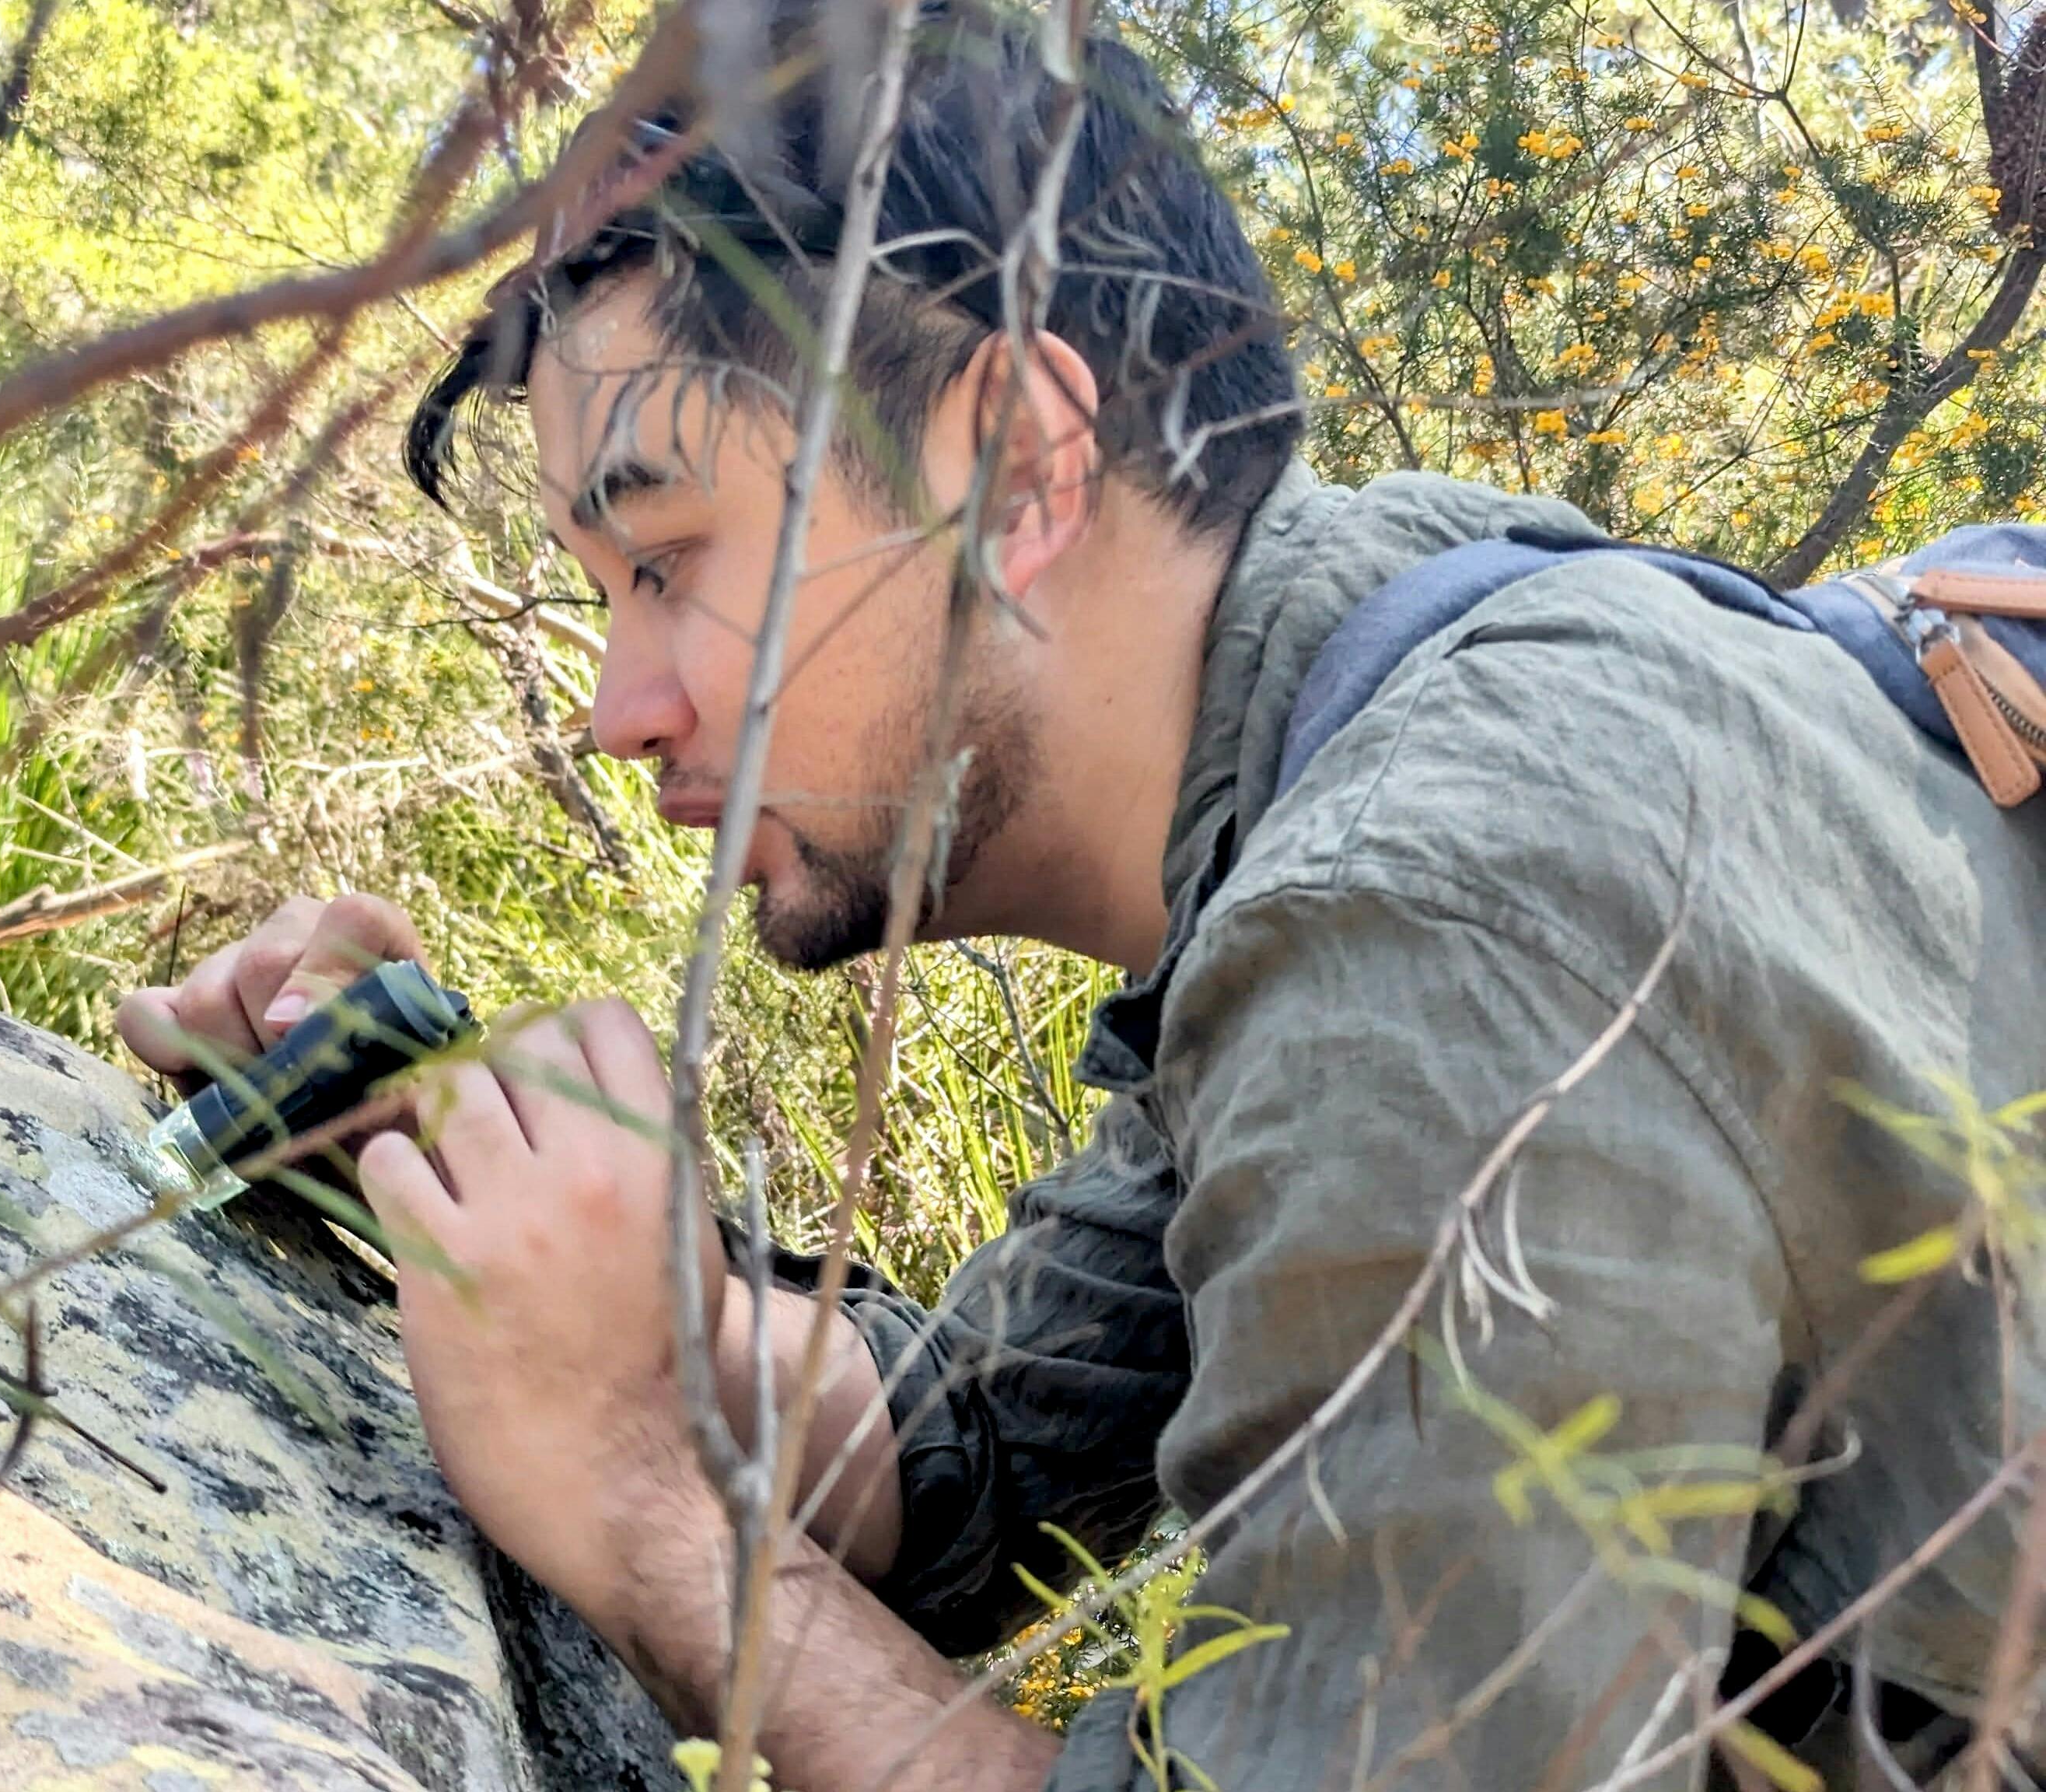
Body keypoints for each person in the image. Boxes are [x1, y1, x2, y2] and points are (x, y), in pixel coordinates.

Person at [117, 2, 2046, 1785]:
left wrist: (640, 1508)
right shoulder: (1364, 678)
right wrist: (473, 1156)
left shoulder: (1447, 921)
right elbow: (964, 1459)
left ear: (1022, 462)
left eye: (672, 559)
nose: (624, 710)